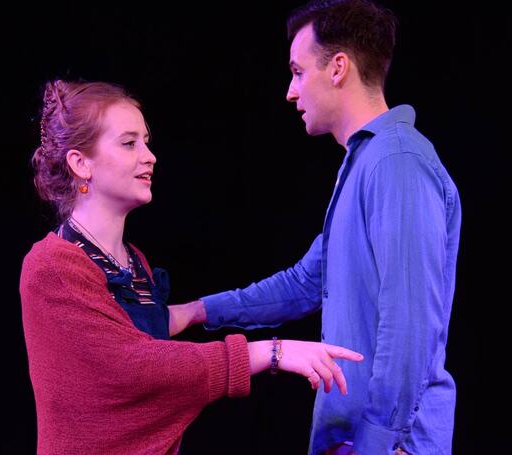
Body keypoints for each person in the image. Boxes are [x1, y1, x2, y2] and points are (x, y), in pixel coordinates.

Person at [169, 1, 462, 454]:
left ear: (338, 67)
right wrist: (196, 311)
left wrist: (379, 443)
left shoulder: (397, 162)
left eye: (298, 72)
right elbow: (306, 282)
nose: (290, 91)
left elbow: (409, 325)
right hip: (354, 438)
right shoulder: (364, 164)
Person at [19, 79, 364, 455]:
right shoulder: (52, 266)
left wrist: (189, 313)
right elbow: (131, 367)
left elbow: (129, 339)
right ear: (80, 163)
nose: (150, 156)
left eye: (146, 141)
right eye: (129, 143)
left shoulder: (134, 264)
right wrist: (268, 352)